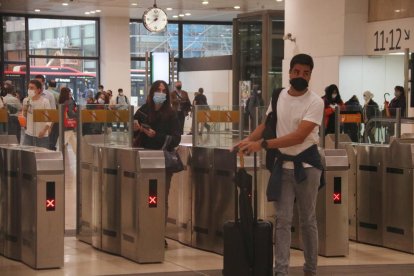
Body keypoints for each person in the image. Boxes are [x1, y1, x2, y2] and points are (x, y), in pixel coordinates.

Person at [234, 54, 324, 276]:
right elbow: (266, 125)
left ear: (310, 75)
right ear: (290, 72)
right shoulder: (278, 96)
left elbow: (298, 136)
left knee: (307, 219)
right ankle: (281, 271)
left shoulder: (315, 102)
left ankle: (310, 269)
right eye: (297, 71)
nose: (300, 76)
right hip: (282, 168)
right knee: (282, 220)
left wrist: (262, 144)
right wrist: (247, 141)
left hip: (308, 167)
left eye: (306, 73)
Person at [133, 80, 181, 248]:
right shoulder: (143, 111)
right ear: (152, 92)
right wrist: (136, 128)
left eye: (163, 90)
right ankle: (143, 232)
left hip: (162, 160)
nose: (160, 93)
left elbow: (176, 138)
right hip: (143, 158)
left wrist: (156, 136)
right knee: (144, 198)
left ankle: (159, 234)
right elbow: (131, 130)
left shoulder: (171, 114)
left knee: (160, 199)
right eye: (157, 90)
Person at [22, 79, 52, 148]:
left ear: (38, 90)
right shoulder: (26, 100)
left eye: (32, 88)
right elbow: (24, 115)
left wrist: (44, 130)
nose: (29, 90)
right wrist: (25, 109)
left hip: (42, 135)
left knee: (41, 156)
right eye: (29, 88)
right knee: (26, 155)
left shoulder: (45, 101)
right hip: (29, 134)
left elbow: (49, 118)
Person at [58, 87, 77, 154]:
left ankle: (80, 157)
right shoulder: (70, 101)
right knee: (61, 143)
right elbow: (71, 113)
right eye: (70, 93)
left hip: (63, 124)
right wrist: (77, 115)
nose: (71, 95)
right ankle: (58, 157)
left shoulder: (61, 101)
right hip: (69, 124)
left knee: (73, 141)